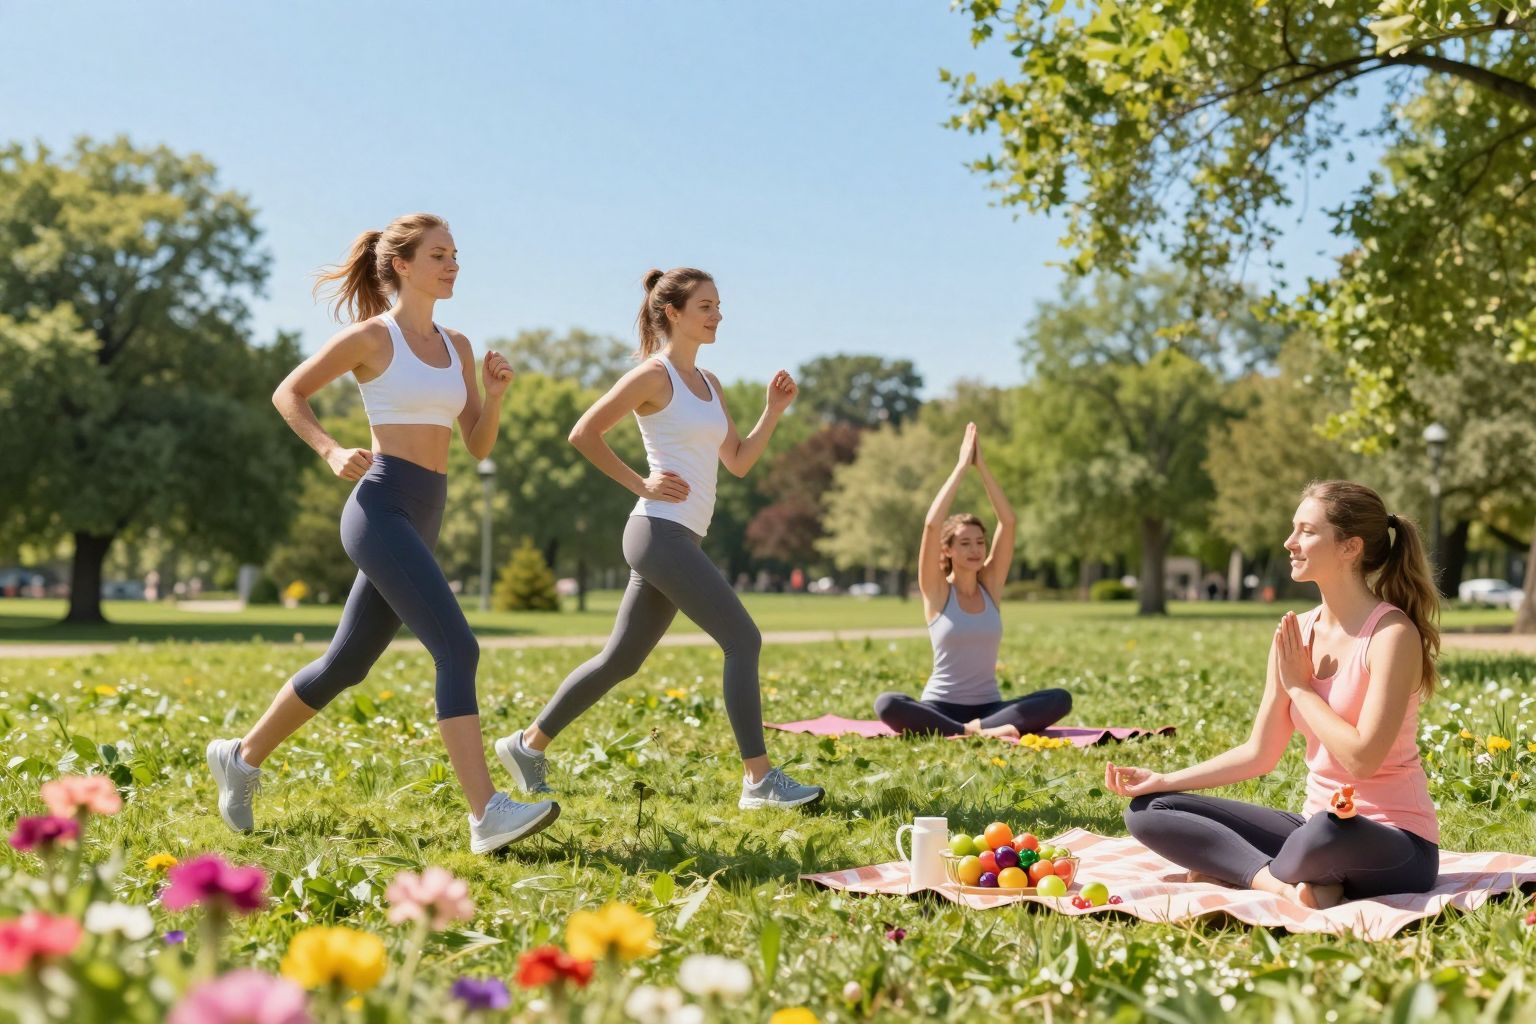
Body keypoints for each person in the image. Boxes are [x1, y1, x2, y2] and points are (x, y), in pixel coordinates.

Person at [206, 213, 559, 854]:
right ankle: (487, 814)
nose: (452, 265)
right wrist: (329, 450)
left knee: (346, 664)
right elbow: (291, 392)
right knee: (458, 647)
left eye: (455, 254)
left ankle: (241, 755)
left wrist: (494, 394)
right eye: (438, 255)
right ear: (401, 264)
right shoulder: (372, 338)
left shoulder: (458, 346)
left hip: (427, 509)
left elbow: (477, 446)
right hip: (380, 506)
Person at [495, 267, 823, 810]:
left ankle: (528, 744)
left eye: (718, 306)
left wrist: (773, 412)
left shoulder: (710, 385)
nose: (718, 315)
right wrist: (641, 482)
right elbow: (584, 432)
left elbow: (738, 461)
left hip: (682, 537)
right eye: (706, 306)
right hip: (656, 531)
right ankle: (759, 780)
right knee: (744, 640)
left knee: (620, 660)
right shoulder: (655, 375)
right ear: (672, 312)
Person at [1110, 480, 1441, 908]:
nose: (1289, 542)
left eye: (1306, 531)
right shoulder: (1295, 634)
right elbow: (1260, 753)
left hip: (1396, 843)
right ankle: (1281, 883)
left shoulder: (1391, 635)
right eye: (1293, 528)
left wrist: (1301, 688)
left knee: (1324, 832)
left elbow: (1363, 759)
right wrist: (1166, 780)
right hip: (1311, 828)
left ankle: (1242, 869)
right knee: (1149, 812)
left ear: (1349, 547)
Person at [873, 423, 1072, 739]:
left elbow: (1008, 521)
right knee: (887, 703)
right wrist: (961, 467)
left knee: (1060, 699)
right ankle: (972, 732)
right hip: (939, 707)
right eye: (965, 543)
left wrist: (982, 467)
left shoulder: (990, 586)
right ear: (948, 550)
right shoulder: (937, 590)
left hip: (991, 709)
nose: (975, 549)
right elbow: (931, 524)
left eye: (980, 542)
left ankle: (967, 731)